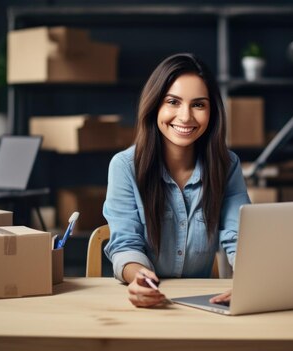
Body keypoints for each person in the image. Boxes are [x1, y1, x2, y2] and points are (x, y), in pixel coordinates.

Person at [102, 53, 250, 307]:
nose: (185, 117)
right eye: (173, 102)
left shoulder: (227, 165)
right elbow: (126, 243)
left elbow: (239, 237)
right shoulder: (125, 166)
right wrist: (140, 277)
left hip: (202, 304)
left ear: (212, 112)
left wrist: (250, 283)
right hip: (143, 303)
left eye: (198, 105)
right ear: (154, 105)